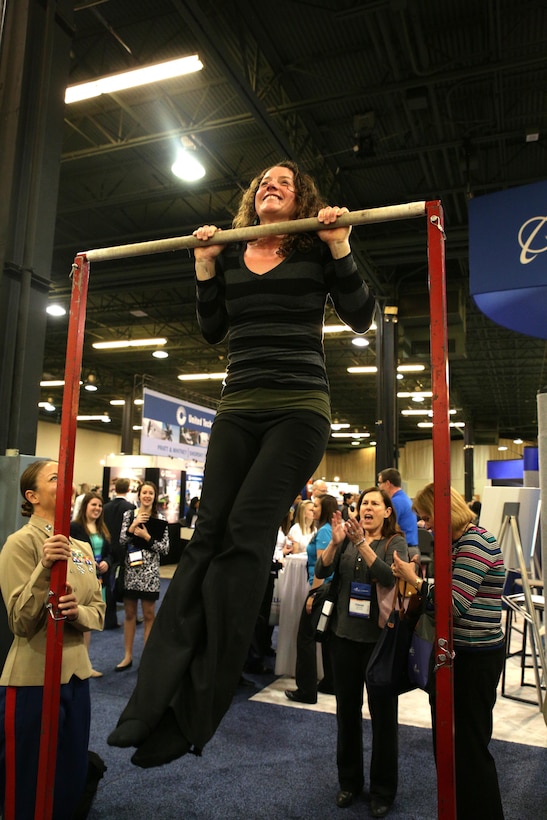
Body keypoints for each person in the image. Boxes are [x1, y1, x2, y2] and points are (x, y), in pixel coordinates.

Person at [107, 160, 376, 767]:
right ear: (252, 202)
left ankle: (200, 710)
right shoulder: (230, 253)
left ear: (301, 195)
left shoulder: (314, 250)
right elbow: (210, 330)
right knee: (204, 541)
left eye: (282, 180)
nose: (269, 186)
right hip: (239, 406)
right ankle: (150, 703)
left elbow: (361, 314)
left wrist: (341, 246)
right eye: (261, 183)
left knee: (245, 540)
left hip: (298, 412)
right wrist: (205, 269)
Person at [392, 485, 506, 820]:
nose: (424, 526)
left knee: (469, 750)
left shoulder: (476, 542)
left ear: (445, 513)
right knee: (451, 749)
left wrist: (416, 581)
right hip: (455, 656)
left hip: (475, 658)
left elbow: (453, 604)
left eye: (427, 517)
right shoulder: (456, 543)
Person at [0, 460, 105, 820]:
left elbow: (99, 610)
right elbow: (19, 621)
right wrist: (44, 567)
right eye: (55, 477)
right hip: (33, 680)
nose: (67, 482)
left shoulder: (82, 546)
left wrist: (78, 614)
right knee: (27, 783)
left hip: (76, 679)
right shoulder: (20, 543)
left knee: (69, 780)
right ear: (32, 495)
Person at [314, 487, 409, 817]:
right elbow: (321, 571)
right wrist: (335, 542)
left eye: (374, 504)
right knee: (347, 714)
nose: (367, 507)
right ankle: (349, 782)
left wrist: (360, 544)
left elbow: (387, 577)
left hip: (379, 645)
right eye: (364, 503)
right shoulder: (346, 538)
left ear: (386, 512)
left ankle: (383, 791)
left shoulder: (394, 543)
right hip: (343, 639)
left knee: (384, 719)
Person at [285, 493, 340, 703]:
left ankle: (306, 690)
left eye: (316, 506)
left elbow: (322, 566)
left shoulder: (325, 532)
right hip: (326, 590)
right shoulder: (326, 530)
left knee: (306, 637)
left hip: (321, 589)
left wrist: (313, 595)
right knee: (325, 637)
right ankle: (329, 683)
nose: (313, 509)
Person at [115, 481, 170, 672]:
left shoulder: (161, 519)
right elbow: (122, 540)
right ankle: (127, 656)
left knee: (149, 615)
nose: (147, 496)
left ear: (155, 497)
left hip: (150, 574)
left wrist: (147, 537)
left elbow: (165, 549)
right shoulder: (128, 515)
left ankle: (147, 658)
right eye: (144, 492)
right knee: (130, 614)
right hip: (131, 571)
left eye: (151, 493)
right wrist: (133, 527)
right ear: (139, 495)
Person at [70, 491, 112, 677]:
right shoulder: (74, 527)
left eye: (99, 506)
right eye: (93, 505)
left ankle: (84, 664)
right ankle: (79, 665)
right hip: (81, 580)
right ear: (85, 506)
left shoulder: (103, 528)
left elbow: (111, 552)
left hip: (99, 580)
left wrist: (107, 562)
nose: (97, 509)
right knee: (80, 624)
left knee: (89, 623)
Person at [102, 477, 136, 629]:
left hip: (108, 548)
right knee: (123, 581)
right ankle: (130, 612)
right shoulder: (130, 507)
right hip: (124, 549)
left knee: (108, 582)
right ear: (128, 489)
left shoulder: (106, 507)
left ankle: (109, 617)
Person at [377, 468, 419, 568]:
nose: (379, 487)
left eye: (379, 483)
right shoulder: (404, 498)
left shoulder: (395, 502)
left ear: (387, 483)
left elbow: (386, 526)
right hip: (411, 548)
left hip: (404, 551)